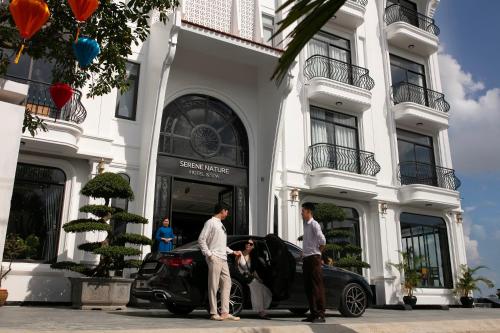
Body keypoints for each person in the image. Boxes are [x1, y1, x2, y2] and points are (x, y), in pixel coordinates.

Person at [198, 203, 242, 321]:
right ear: (222, 211)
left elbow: (222, 245)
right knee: (213, 285)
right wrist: (209, 254)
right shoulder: (210, 222)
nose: (227, 214)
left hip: (223, 258)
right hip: (215, 258)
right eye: (227, 211)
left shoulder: (221, 225)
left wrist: (233, 252)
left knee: (227, 284)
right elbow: (201, 239)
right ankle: (213, 313)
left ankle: (225, 312)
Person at [300, 202, 327, 323]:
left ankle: (320, 315)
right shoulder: (306, 225)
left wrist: (317, 252)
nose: (301, 213)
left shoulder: (314, 224)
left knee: (317, 287)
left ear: (309, 212)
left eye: (303, 211)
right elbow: (309, 242)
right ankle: (313, 313)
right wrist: (304, 252)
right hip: (307, 258)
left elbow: (323, 240)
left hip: (314, 259)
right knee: (308, 287)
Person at [237, 239, 272, 320]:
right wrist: (243, 274)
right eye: (247, 243)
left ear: (253, 247)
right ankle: (261, 311)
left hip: (250, 278)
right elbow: (237, 267)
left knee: (264, 288)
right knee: (256, 285)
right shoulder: (240, 254)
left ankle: (261, 309)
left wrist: (259, 278)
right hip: (241, 277)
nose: (248, 245)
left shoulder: (252, 256)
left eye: (251, 244)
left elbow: (253, 271)